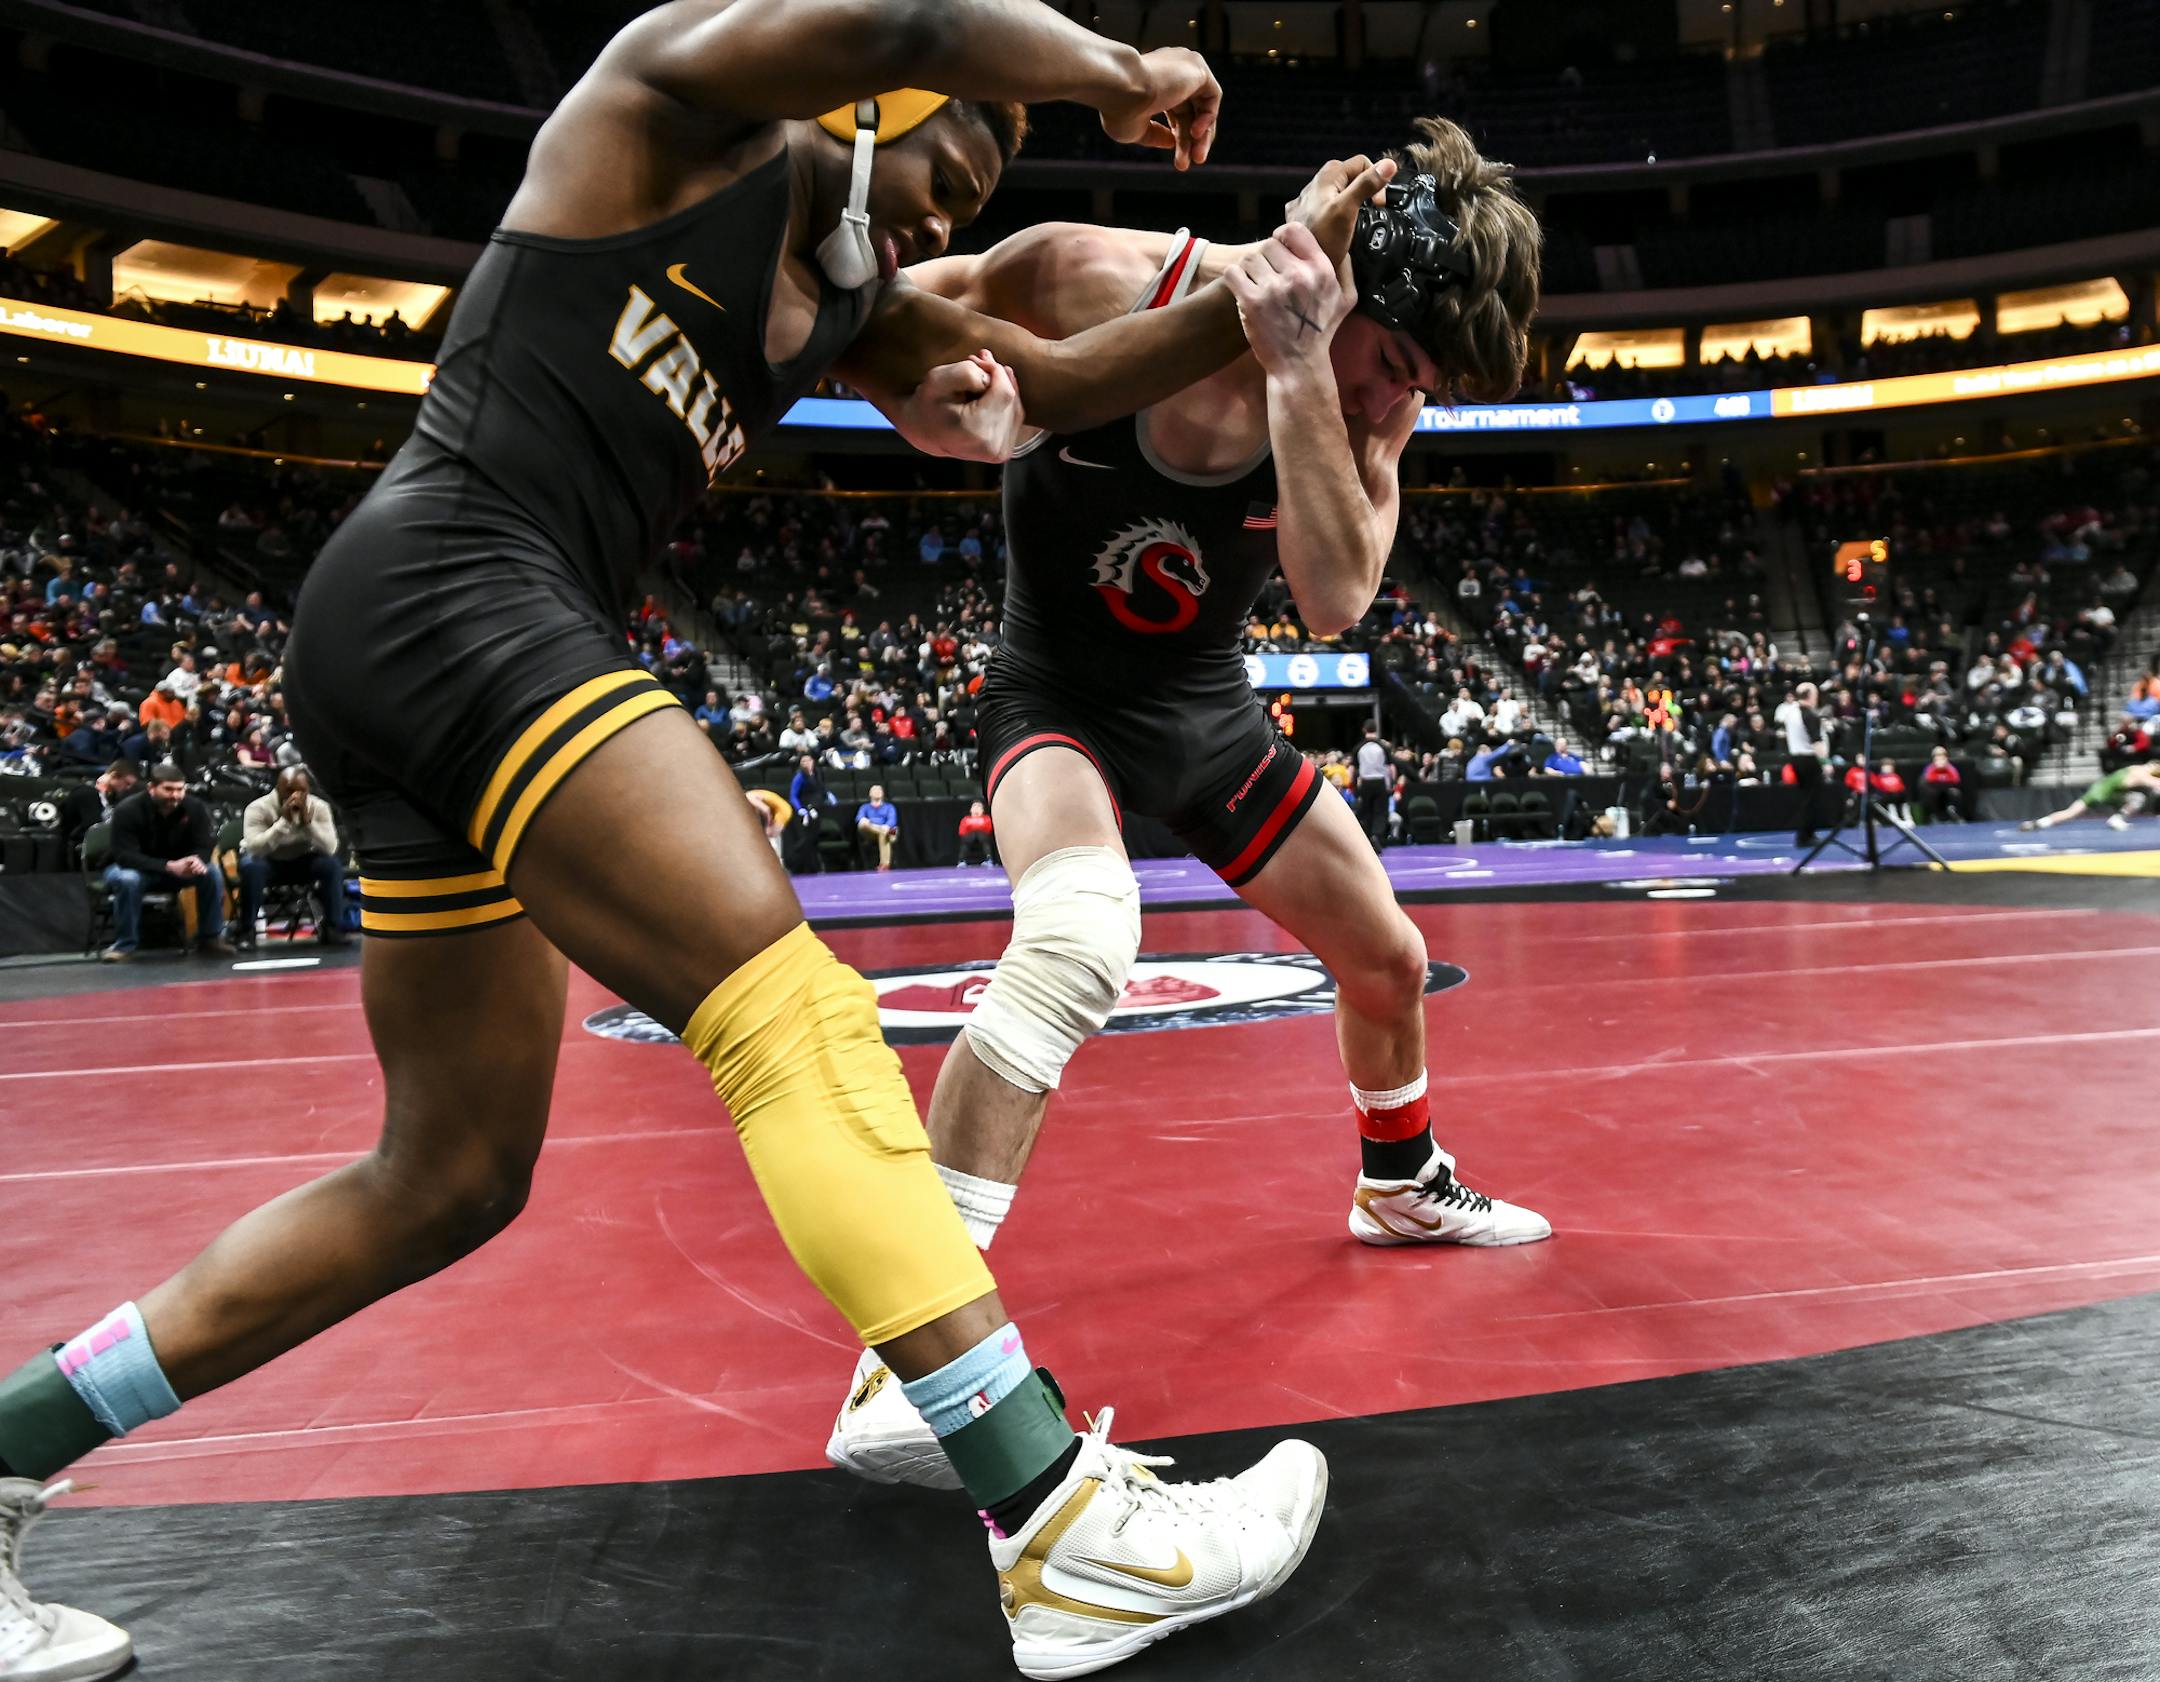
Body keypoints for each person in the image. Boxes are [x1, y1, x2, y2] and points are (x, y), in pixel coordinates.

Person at [0, 6, 1381, 1676]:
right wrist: (1117, 70)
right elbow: (924, 15)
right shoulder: (669, 107)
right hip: (461, 582)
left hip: (424, 640)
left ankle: (6, 1447)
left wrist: (1275, 286)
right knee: (789, 1014)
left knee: (446, 1176)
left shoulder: (855, 300)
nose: (945, 220)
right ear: (868, 104)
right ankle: (1061, 1528)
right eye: (950, 171)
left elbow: (1066, 383)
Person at [826, 120, 1550, 1490]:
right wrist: (913, 401)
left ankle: (1399, 1182)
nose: (1392, 401)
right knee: (1077, 935)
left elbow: (1335, 596)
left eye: (1415, 386)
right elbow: (877, 322)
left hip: (1205, 716)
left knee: (1389, 959)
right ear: (1342, 278)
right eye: (1392, 364)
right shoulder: (1102, 279)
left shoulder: (1362, 397)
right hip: (1055, 696)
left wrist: (1306, 371)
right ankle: (906, 1355)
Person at [98, 760, 233, 962]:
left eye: (180, 789)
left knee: (211, 872)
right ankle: (124, 945)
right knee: (128, 880)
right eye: (168, 789)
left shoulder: (194, 807)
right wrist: (168, 866)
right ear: (151, 788)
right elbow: (125, 856)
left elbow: (205, 844)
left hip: (176, 869)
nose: (175, 795)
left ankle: (210, 938)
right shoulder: (127, 810)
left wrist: (197, 860)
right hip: (134, 868)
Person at [237, 767, 349, 947]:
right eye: (289, 791)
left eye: (301, 791)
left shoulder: (319, 807)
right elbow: (254, 848)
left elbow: (330, 848)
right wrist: (283, 824)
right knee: (250, 866)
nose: (295, 796)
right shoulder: (258, 807)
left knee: (331, 865)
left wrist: (309, 825)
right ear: (278, 789)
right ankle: (246, 931)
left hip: (304, 860)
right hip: (269, 861)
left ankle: (333, 928)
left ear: (308, 789)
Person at [2021, 762, 2160, 832]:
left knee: (2070, 812)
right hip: (2107, 794)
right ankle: (2117, 819)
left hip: (2098, 789)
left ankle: (2038, 823)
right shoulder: (2141, 774)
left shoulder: (2133, 768)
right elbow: (2153, 782)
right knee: (2138, 799)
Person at [1776, 681, 1830, 845]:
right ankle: (1806, 835)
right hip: (1808, 759)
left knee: (1806, 797)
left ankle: (1805, 833)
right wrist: (1825, 762)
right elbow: (1816, 742)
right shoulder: (1809, 715)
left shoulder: (1791, 712)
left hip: (1796, 758)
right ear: (1810, 696)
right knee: (1812, 799)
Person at [58, 757, 139, 863]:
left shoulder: (110, 798)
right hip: (80, 853)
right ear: (114, 776)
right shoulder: (87, 794)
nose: (128, 788)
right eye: (127, 783)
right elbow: (93, 830)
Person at [1351, 721, 1392, 850]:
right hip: (1380, 781)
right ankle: (1376, 834)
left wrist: (1354, 785)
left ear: (1364, 730)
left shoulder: (1358, 747)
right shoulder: (1383, 746)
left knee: (1366, 811)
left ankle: (1368, 839)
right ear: (1376, 729)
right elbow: (1390, 767)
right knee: (1380, 811)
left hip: (1365, 782)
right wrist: (1390, 784)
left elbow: (1353, 769)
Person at [856, 782, 900, 870]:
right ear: (870, 794)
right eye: (874, 790)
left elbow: (892, 820)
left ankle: (884, 864)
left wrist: (887, 826)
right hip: (871, 830)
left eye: (879, 790)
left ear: (883, 793)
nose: (877, 792)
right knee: (862, 824)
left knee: (887, 832)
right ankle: (885, 864)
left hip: (890, 831)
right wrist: (863, 820)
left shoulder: (889, 807)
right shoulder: (865, 807)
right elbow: (859, 817)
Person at [745, 785, 790, 862]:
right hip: (782, 807)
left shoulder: (749, 796)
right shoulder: (753, 794)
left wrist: (769, 824)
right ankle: (776, 859)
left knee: (769, 834)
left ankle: (776, 860)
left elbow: (766, 810)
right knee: (771, 836)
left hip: (783, 810)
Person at [1921, 745, 1963, 822]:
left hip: (1947, 791)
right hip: (1934, 791)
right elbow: (1928, 780)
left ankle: (1953, 812)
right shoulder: (1930, 768)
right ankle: (1935, 816)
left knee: (1955, 793)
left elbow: (1956, 780)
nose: (1940, 759)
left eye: (1942, 756)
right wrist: (1936, 769)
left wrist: (1946, 768)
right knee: (1931, 794)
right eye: (1937, 756)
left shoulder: (1950, 768)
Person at [957, 797, 995, 865]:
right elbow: (962, 831)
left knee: (981, 836)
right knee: (968, 839)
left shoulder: (986, 818)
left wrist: (973, 827)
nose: (976, 809)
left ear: (983, 810)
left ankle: (989, 859)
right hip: (969, 838)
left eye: (979, 807)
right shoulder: (966, 819)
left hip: (983, 837)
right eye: (974, 806)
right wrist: (977, 827)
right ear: (971, 810)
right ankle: (961, 860)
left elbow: (989, 829)